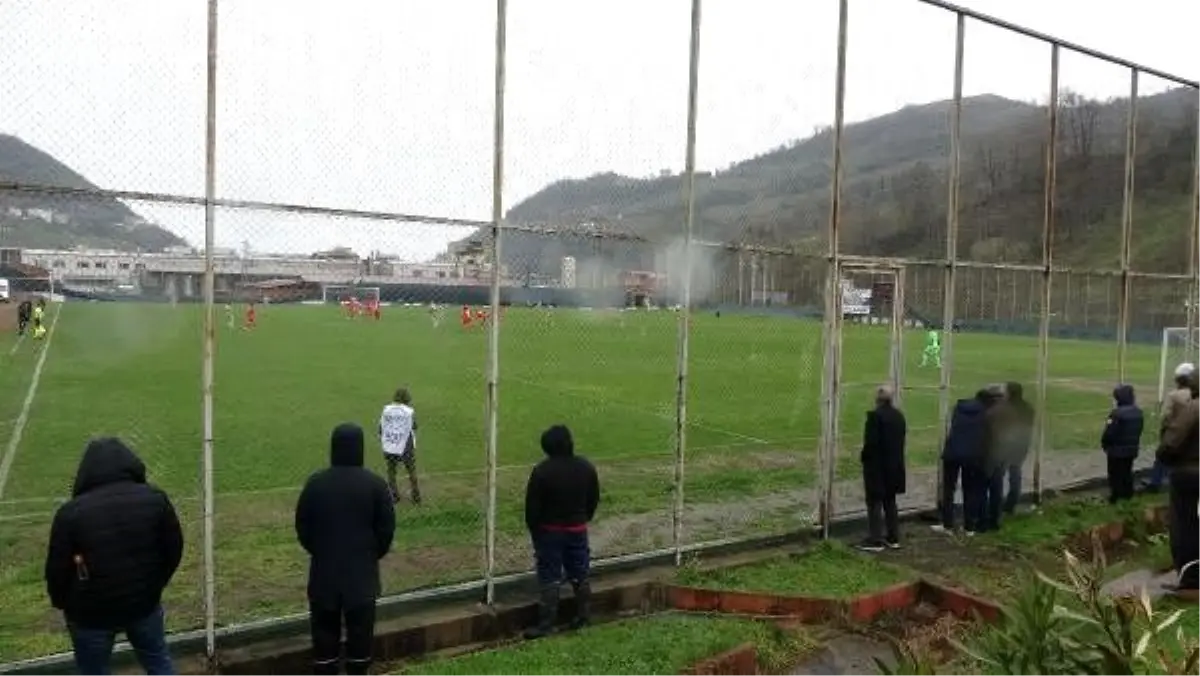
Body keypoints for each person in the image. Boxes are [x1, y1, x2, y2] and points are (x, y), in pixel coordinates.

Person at [44, 438, 184, 676]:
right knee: (158, 661)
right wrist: (154, 586)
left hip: (90, 616)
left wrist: (65, 605)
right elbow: (174, 549)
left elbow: (56, 572)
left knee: (94, 671)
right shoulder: (155, 499)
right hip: (143, 605)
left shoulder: (69, 514)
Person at [295, 423, 396, 676]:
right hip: (361, 578)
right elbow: (386, 531)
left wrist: (321, 550)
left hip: (323, 576)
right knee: (360, 641)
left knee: (324, 639)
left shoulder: (315, 484)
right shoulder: (375, 485)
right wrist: (369, 554)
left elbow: (302, 527)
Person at [523, 425, 600, 640]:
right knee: (580, 572)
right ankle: (584, 616)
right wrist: (583, 518)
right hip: (577, 528)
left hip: (549, 531)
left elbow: (532, 508)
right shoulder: (586, 468)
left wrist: (535, 531)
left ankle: (547, 624)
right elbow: (593, 498)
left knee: (549, 576)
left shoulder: (542, 471)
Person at [934, 388, 998, 535]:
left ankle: (947, 524)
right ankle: (969, 526)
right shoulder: (986, 415)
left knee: (948, 489)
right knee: (970, 490)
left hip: (952, 452)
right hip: (972, 455)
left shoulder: (959, 408)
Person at [1158, 377, 1200, 592]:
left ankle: (1190, 577)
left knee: (1184, 524)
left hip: (1189, 474)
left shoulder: (1193, 408)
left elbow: (1171, 442)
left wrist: (1164, 457)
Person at [857, 385, 907, 552]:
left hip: (877, 466)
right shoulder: (899, 416)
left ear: (878, 399)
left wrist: (864, 457)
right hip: (894, 465)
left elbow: (871, 443)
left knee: (874, 502)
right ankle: (893, 537)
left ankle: (875, 539)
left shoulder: (875, 417)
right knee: (890, 501)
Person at [1148, 363, 1194, 493]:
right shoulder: (1195, 394)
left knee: (1162, 457)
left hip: (1174, 432)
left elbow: (1166, 416)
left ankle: (1156, 483)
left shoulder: (1174, 396)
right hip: (1192, 434)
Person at [991, 381, 1036, 515]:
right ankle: (1011, 503)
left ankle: (996, 504)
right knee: (1015, 472)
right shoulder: (1028, 408)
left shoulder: (1005, 408)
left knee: (998, 474)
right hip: (1022, 444)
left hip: (1006, 445)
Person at [1099, 384, 1145, 504]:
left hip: (1116, 451)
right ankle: (1128, 495)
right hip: (1131, 448)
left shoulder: (1116, 414)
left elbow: (1109, 433)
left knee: (1115, 475)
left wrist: (1105, 444)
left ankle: (1116, 497)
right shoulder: (1138, 412)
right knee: (1127, 472)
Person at [379, 388, 421, 505]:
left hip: (391, 445)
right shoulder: (408, 412)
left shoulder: (386, 410)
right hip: (406, 446)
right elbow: (414, 426)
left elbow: (381, 428)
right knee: (411, 470)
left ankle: (394, 496)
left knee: (391, 471)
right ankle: (416, 495)